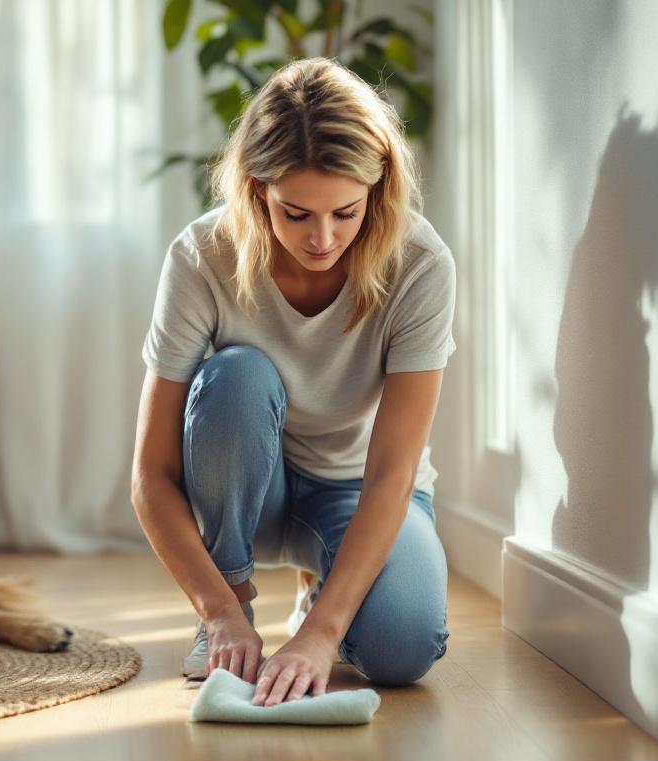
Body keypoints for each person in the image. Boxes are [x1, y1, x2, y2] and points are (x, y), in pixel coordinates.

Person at [131, 58, 455, 707]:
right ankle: (238, 599)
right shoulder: (201, 258)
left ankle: (323, 586)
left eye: (346, 211)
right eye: (296, 212)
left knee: (402, 650)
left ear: (378, 186)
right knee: (237, 377)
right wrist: (217, 609)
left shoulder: (420, 264)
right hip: (248, 492)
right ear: (256, 189)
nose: (322, 238)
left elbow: (394, 471)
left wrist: (320, 632)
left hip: (362, 491)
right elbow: (151, 476)